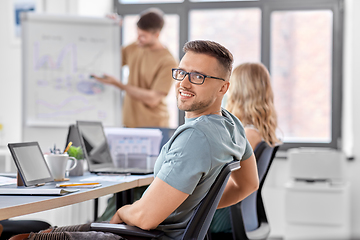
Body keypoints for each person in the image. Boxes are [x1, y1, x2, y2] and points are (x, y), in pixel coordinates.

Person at [109, 40, 259, 239]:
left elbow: (145, 219)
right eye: (181, 73)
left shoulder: (194, 137)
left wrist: (122, 211)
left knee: (53, 232)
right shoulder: (231, 124)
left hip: (152, 235)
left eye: (198, 76)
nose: (184, 83)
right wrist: (199, 207)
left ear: (223, 88)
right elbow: (248, 184)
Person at [210, 62, 280, 237]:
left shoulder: (247, 135)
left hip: (227, 216)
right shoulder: (262, 133)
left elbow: (227, 184)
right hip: (245, 215)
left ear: (237, 92)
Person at [92, 8, 178, 128]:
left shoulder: (168, 62)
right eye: (137, 34)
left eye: (143, 36)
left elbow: (153, 99)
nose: (138, 39)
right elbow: (105, 61)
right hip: (128, 123)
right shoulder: (134, 48)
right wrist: (108, 29)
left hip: (155, 125)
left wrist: (120, 85)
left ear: (156, 34)